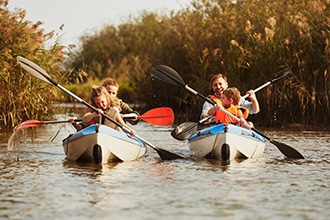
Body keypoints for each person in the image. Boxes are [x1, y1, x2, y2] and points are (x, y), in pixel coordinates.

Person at [71, 86, 136, 135]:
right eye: (98, 103)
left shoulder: (114, 111)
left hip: (112, 134)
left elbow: (123, 125)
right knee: (83, 127)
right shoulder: (92, 110)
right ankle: (75, 124)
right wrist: (94, 114)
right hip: (94, 134)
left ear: (107, 99)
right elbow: (84, 119)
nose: (101, 105)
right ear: (94, 103)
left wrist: (130, 130)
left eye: (103, 102)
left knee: (118, 128)